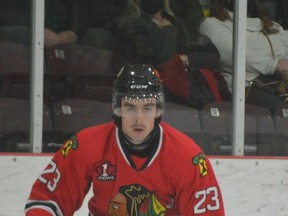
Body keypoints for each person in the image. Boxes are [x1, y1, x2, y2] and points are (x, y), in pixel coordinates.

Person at [25, 64, 225, 215]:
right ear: (117, 108)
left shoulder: (188, 156)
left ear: (158, 110)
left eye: (147, 108)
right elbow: (46, 200)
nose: (139, 119)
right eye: (130, 107)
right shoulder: (87, 144)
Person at [199, 0, 288, 109]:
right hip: (244, 89)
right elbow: (234, 53)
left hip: (280, 85)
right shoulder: (212, 24)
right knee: (281, 109)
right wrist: (275, 66)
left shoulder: (272, 25)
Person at [0, 0, 77, 47]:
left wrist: (73, 31)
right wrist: (38, 31)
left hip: (59, 34)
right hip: (20, 31)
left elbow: (80, 5)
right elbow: (6, 14)